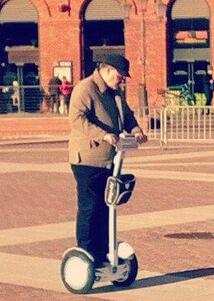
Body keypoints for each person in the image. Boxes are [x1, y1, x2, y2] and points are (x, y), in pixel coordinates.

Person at [68, 54, 148, 267]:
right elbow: (76, 119)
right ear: (108, 70)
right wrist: (103, 134)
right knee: (90, 206)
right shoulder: (86, 88)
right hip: (87, 159)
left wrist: (136, 130)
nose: (122, 81)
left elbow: (127, 115)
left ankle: (102, 251)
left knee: (106, 207)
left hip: (109, 160)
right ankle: (85, 252)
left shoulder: (115, 93)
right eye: (120, 77)